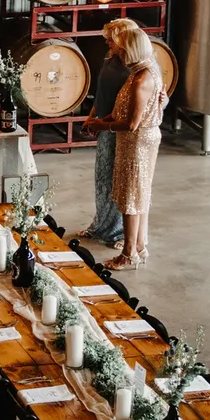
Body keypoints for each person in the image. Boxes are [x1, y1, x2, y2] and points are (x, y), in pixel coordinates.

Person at [83, 24, 167, 270]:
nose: (116, 50)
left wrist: (102, 127)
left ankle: (128, 253)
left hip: (137, 142)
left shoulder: (142, 78)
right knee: (138, 194)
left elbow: (132, 123)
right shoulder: (140, 71)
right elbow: (122, 110)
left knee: (131, 196)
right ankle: (140, 245)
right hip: (135, 140)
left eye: (119, 46)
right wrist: (102, 119)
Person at [75, 19, 130, 250]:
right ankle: (101, 225)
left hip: (121, 128)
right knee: (103, 177)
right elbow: (101, 93)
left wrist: (104, 122)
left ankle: (121, 233)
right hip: (103, 123)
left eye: (110, 39)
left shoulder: (134, 66)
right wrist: (92, 116)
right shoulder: (110, 57)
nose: (107, 42)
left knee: (120, 180)